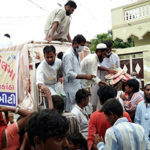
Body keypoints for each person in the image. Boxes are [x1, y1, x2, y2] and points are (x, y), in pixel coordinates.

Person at [87, 86, 131, 150]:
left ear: (100, 101)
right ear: (115, 99)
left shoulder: (94, 116)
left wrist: (99, 146)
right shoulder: (124, 114)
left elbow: (91, 140)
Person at [62, 34, 94, 112]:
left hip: (77, 88)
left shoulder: (76, 54)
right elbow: (69, 73)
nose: (82, 47)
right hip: (71, 89)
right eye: (82, 45)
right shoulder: (68, 55)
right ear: (76, 43)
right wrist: (85, 76)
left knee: (78, 111)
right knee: (71, 112)